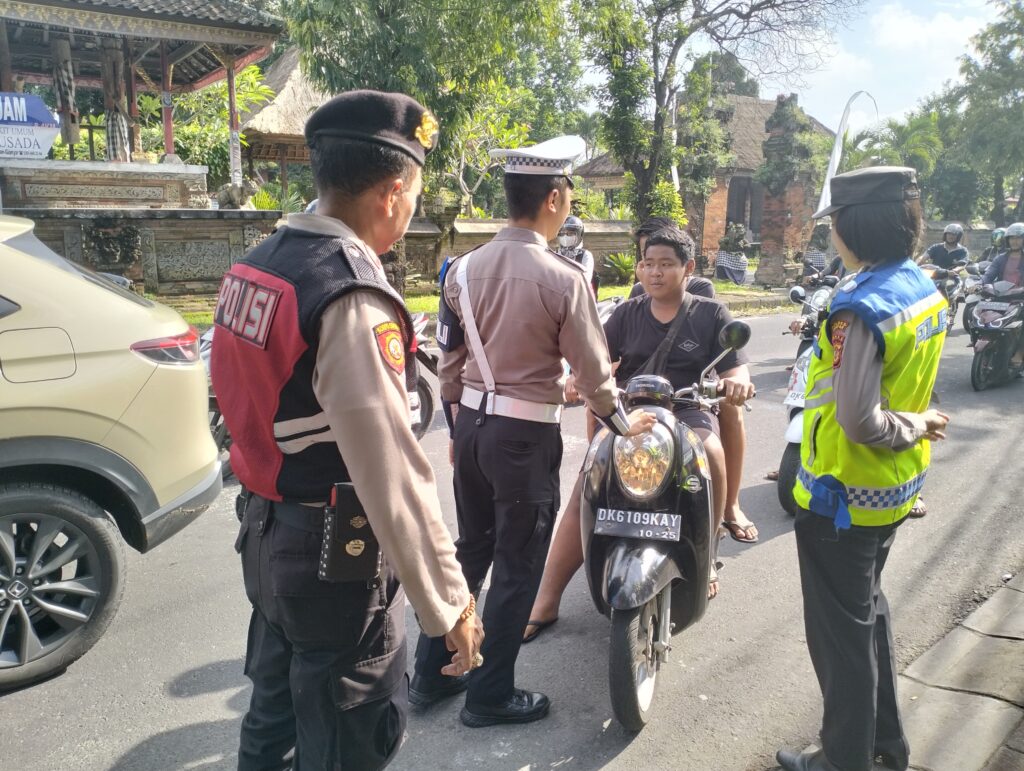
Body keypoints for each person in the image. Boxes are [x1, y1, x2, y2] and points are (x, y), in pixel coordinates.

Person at [210, 90, 483, 771]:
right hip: (329, 561)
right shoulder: (349, 293)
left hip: (265, 536)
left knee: (272, 720)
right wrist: (450, 603)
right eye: (415, 193)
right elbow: (391, 474)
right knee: (344, 735)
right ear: (393, 191)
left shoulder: (259, 261)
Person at [411, 135, 655, 727]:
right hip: (523, 440)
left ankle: (430, 674)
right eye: (568, 193)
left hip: (469, 429)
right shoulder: (564, 277)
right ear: (553, 198)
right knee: (518, 565)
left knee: (470, 552)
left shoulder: (460, 270)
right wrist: (624, 425)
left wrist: (457, 425)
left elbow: (448, 360)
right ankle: (489, 695)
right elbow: (597, 375)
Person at [776, 167, 950, 771]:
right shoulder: (922, 289)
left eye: (835, 225)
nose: (834, 237)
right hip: (891, 492)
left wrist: (917, 424)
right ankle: (886, 746)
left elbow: (860, 420)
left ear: (852, 226)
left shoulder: (861, 306)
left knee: (841, 642)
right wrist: (919, 423)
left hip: (841, 496)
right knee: (869, 615)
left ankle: (842, 761)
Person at [524, 225, 755, 644]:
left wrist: (736, 382)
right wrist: (579, 379)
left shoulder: (710, 314)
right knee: (588, 485)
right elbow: (596, 362)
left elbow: (734, 367)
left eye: (666, 264)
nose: (655, 273)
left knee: (713, 453)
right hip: (631, 417)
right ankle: (546, 598)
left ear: (688, 268)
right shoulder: (626, 315)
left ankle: (708, 557)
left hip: (688, 411)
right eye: (648, 264)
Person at [629, 216, 715, 300]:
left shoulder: (701, 288)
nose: (655, 272)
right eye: (646, 254)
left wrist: (647, 287)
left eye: (665, 262)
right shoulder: (638, 289)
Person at [981, 222, 1024, 367]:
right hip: (1000, 296)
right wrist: (979, 285)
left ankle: (1019, 353)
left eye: (1018, 238)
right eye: (1012, 238)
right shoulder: (1000, 258)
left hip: (1020, 298)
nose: (1015, 241)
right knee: (979, 313)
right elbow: (989, 274)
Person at [556, 215, 598, 293]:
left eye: (570, 233)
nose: (565, 236)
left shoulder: (585, 255)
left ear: (580, 234)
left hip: (579, 297)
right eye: (562, 233)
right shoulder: (555, 254)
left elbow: (585, 280)